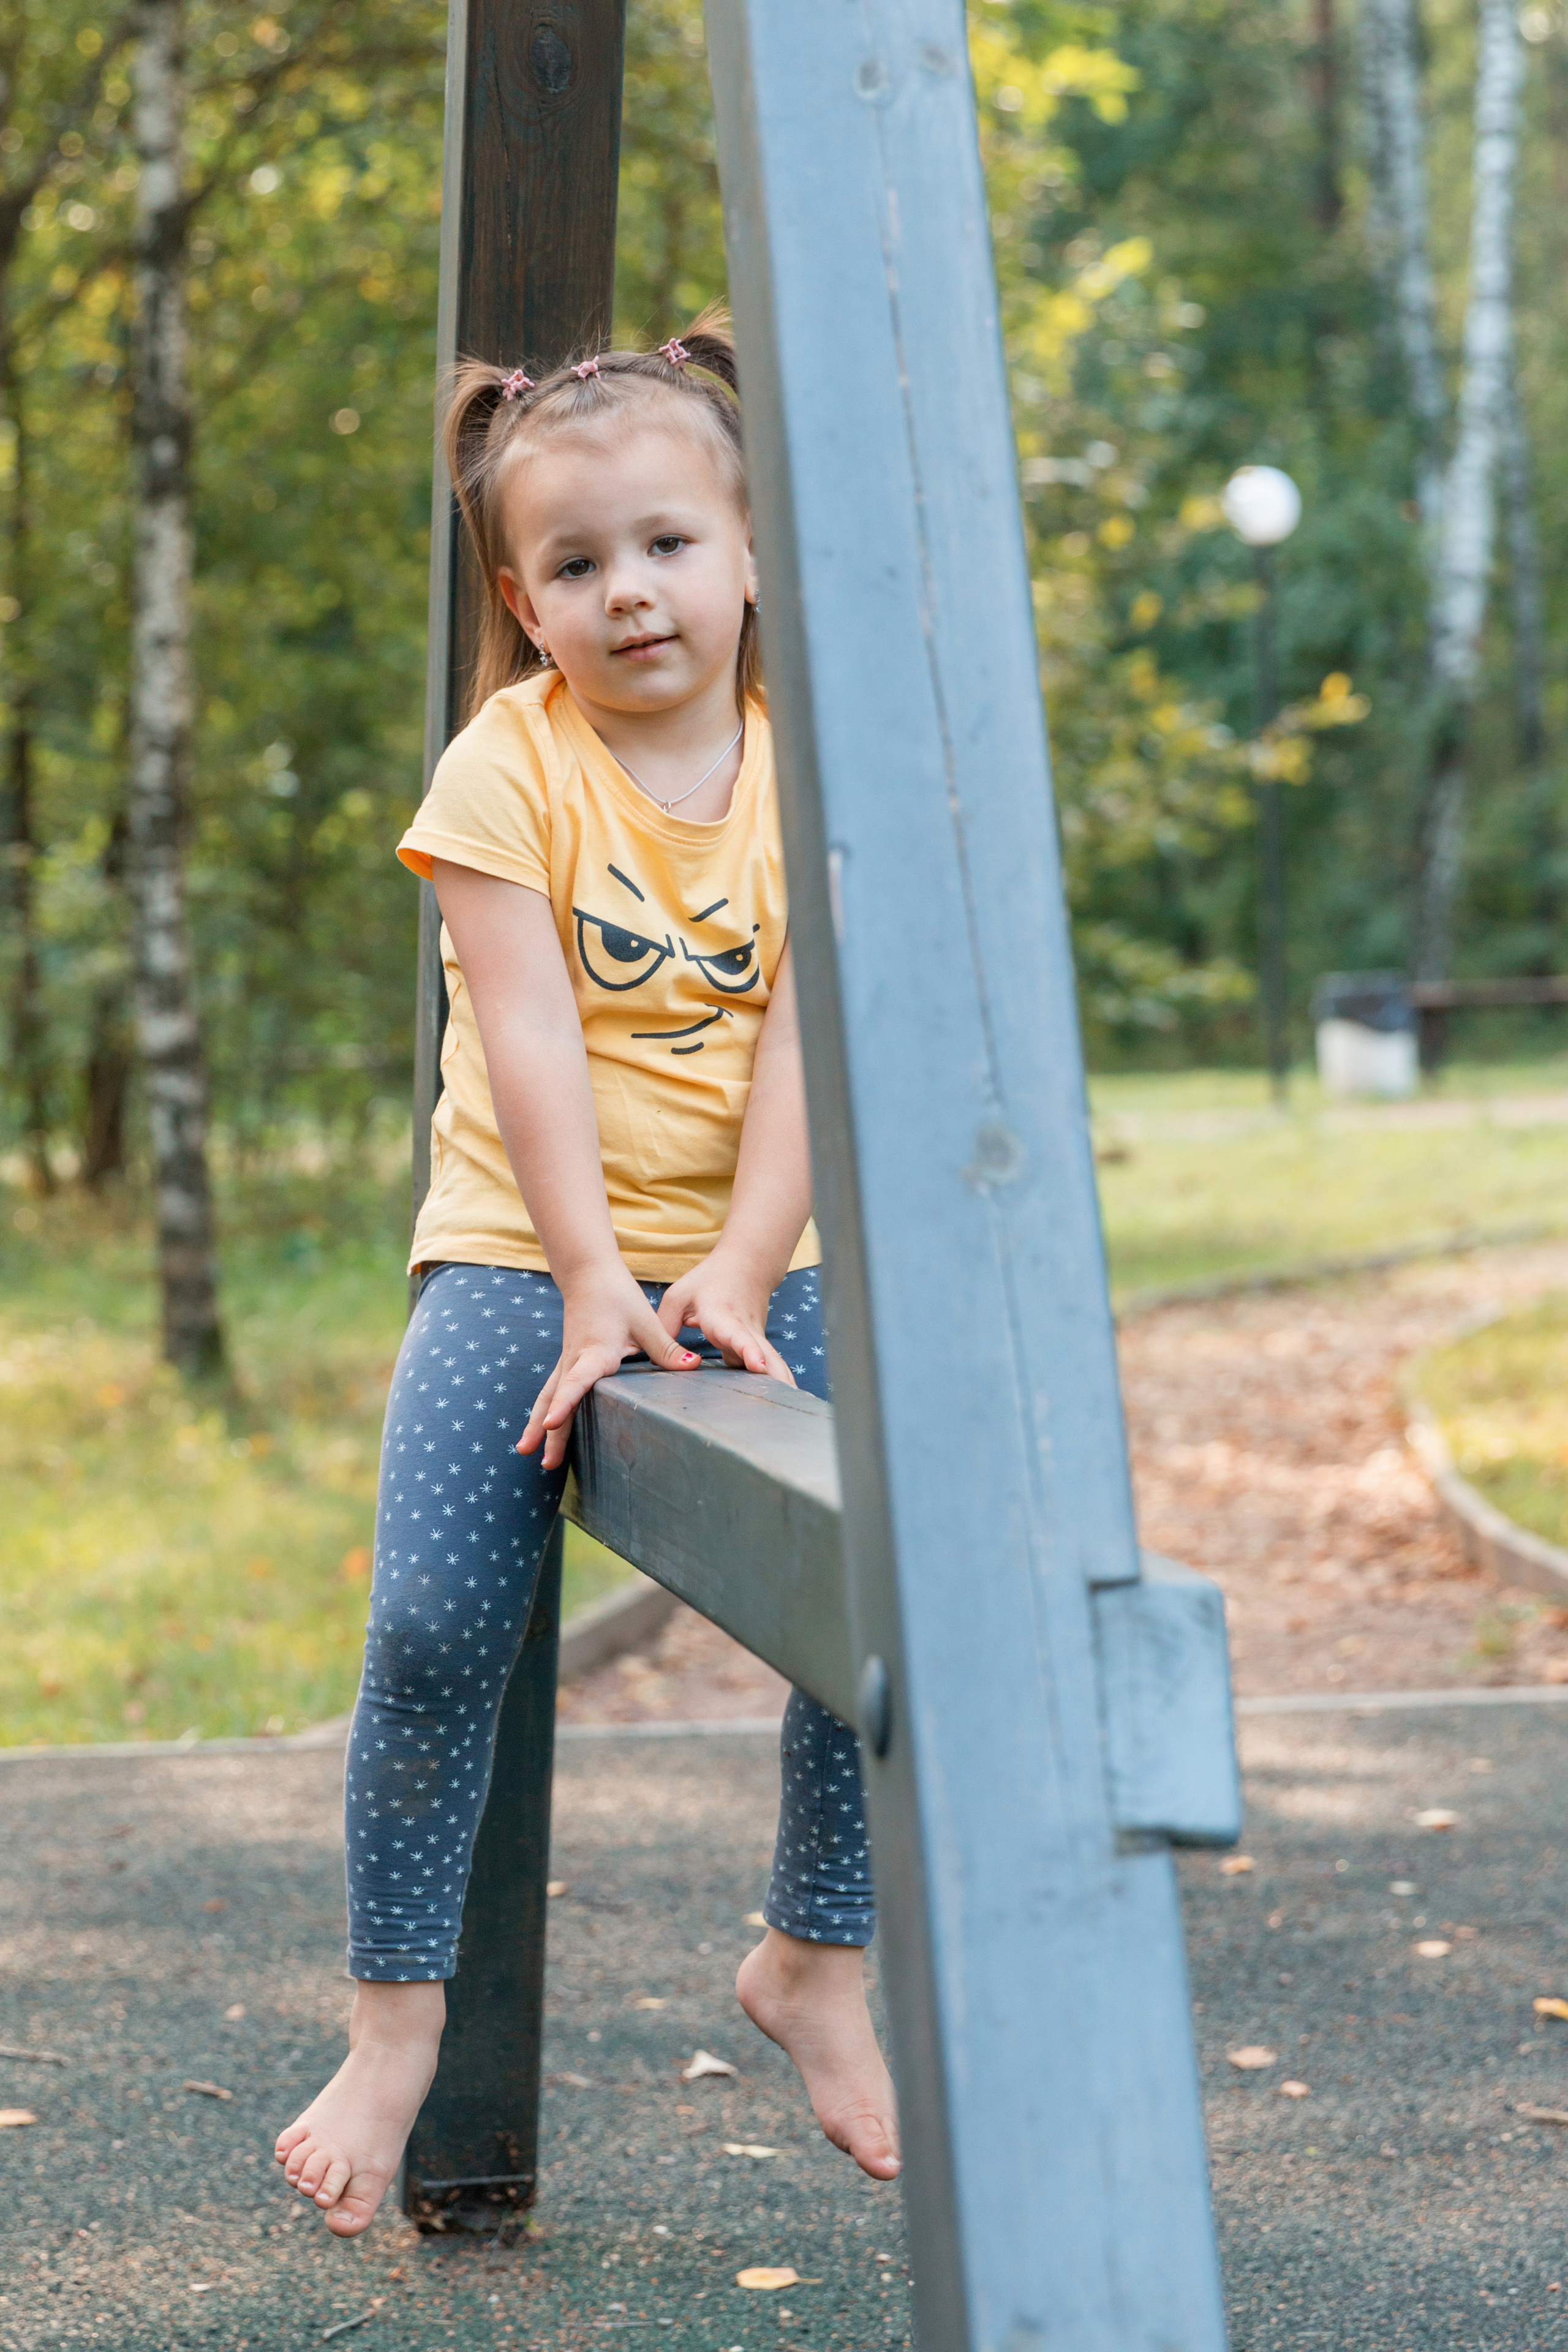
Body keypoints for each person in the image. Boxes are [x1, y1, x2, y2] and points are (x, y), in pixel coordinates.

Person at [273, 314, 900, 2236]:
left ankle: (815, 1960)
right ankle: (393, 2029)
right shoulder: (507, 771)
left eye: (667, 546)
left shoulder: (816, 776)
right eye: (576, 564)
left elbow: (809, 1046)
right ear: (522, 600)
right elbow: (527, 1040)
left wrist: (731, 1268)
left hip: (745, 1244)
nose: (629, 594)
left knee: (897, 1580)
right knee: (437, 1631)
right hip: (514, 1249)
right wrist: (584, 1286)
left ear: (750, 555)